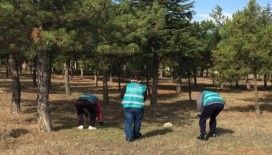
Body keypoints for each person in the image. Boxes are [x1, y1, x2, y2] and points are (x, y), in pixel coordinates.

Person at [120, 77, 147, 142]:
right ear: (138, 81)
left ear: (131, 80)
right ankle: (136, 135)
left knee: (128, 122)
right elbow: (145, 98)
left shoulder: (126, 86)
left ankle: (129, 137)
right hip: (139, 107)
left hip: (128, 106)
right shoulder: (143, 87)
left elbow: (121, 96)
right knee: (137, 121)